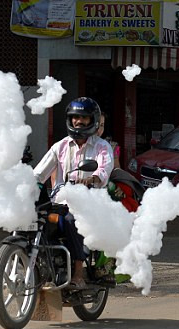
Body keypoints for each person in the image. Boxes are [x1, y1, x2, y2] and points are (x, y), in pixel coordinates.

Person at [34, 97, 114, 289]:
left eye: (84, 118)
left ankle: (78, 274)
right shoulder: (60, 146)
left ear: (92, 120)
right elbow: (39, 173)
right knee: (35, 219)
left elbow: (104, 169)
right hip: (61, 200)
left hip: (90, 202)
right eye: (75, 117)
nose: (78, 121)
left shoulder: (102, 146)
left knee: (72, 221)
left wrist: (93, 178)